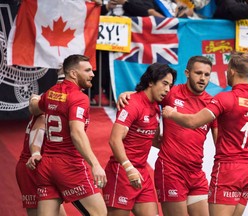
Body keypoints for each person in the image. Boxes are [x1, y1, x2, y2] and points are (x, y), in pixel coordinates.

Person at [162, 51, 248, 216]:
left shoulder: (224, 99)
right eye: (199, 73)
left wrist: (172, 114)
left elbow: (193, 122)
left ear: (231, 71)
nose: (203, 78)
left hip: (228, 169)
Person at [117, 56, 218, 216]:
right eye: (198, 73)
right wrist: (128, 94)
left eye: (207, 75)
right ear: (187, 73)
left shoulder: (212, 104)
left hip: (196, 173)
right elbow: (147, 94)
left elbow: (219, 142)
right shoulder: (171, 93)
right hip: (171, 170)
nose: (202, 78)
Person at [29, 54, 107, 216]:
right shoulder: (79, 98)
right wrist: (95, 164)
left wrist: (33, 100)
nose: (92, 74)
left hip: (46, 166)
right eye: (87, 70)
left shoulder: (51, 92)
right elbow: (77, 132)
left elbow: (35, 110)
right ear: (72, 73)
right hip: (69, 165)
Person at [103, 63, 177, 216]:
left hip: (141, 173)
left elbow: (155, 140)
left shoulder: (156, 107)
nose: (167, 90)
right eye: (164, 83)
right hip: (122, 172)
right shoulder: (131, 104)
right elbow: (114, 140)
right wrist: (129, 168)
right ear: (151, 81)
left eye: (170, 85)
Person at [15, 114, 67, 216]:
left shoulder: (49, 110)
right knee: (36, 212)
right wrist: (35, 153)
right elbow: (36, 136)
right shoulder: (44, 115)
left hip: (41, 168)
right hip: (32, 167)